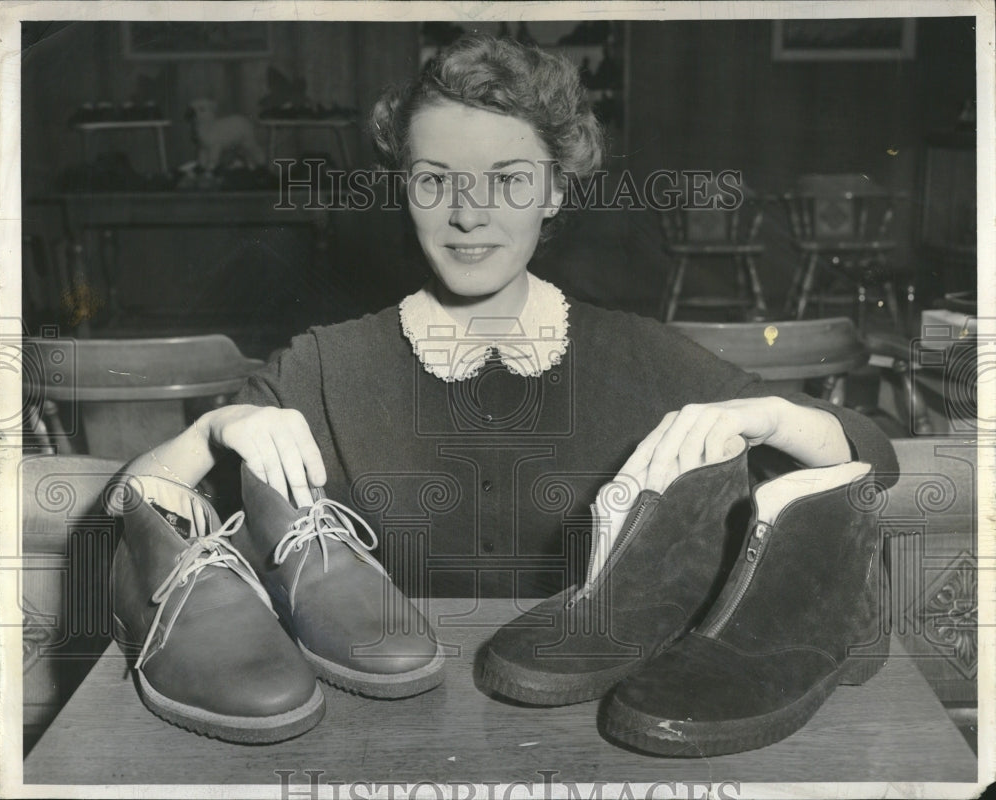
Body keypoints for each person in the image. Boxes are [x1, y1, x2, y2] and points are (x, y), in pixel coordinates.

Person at [123, 34, 897, 597]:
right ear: (404, 188)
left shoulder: (644, 357)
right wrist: (210, 431)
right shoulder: (322, 368)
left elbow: (872, 457)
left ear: (556, 190)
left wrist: (770, 414)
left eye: (508, 178)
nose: (469, 213)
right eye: (436, 180)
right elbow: (130, 508)